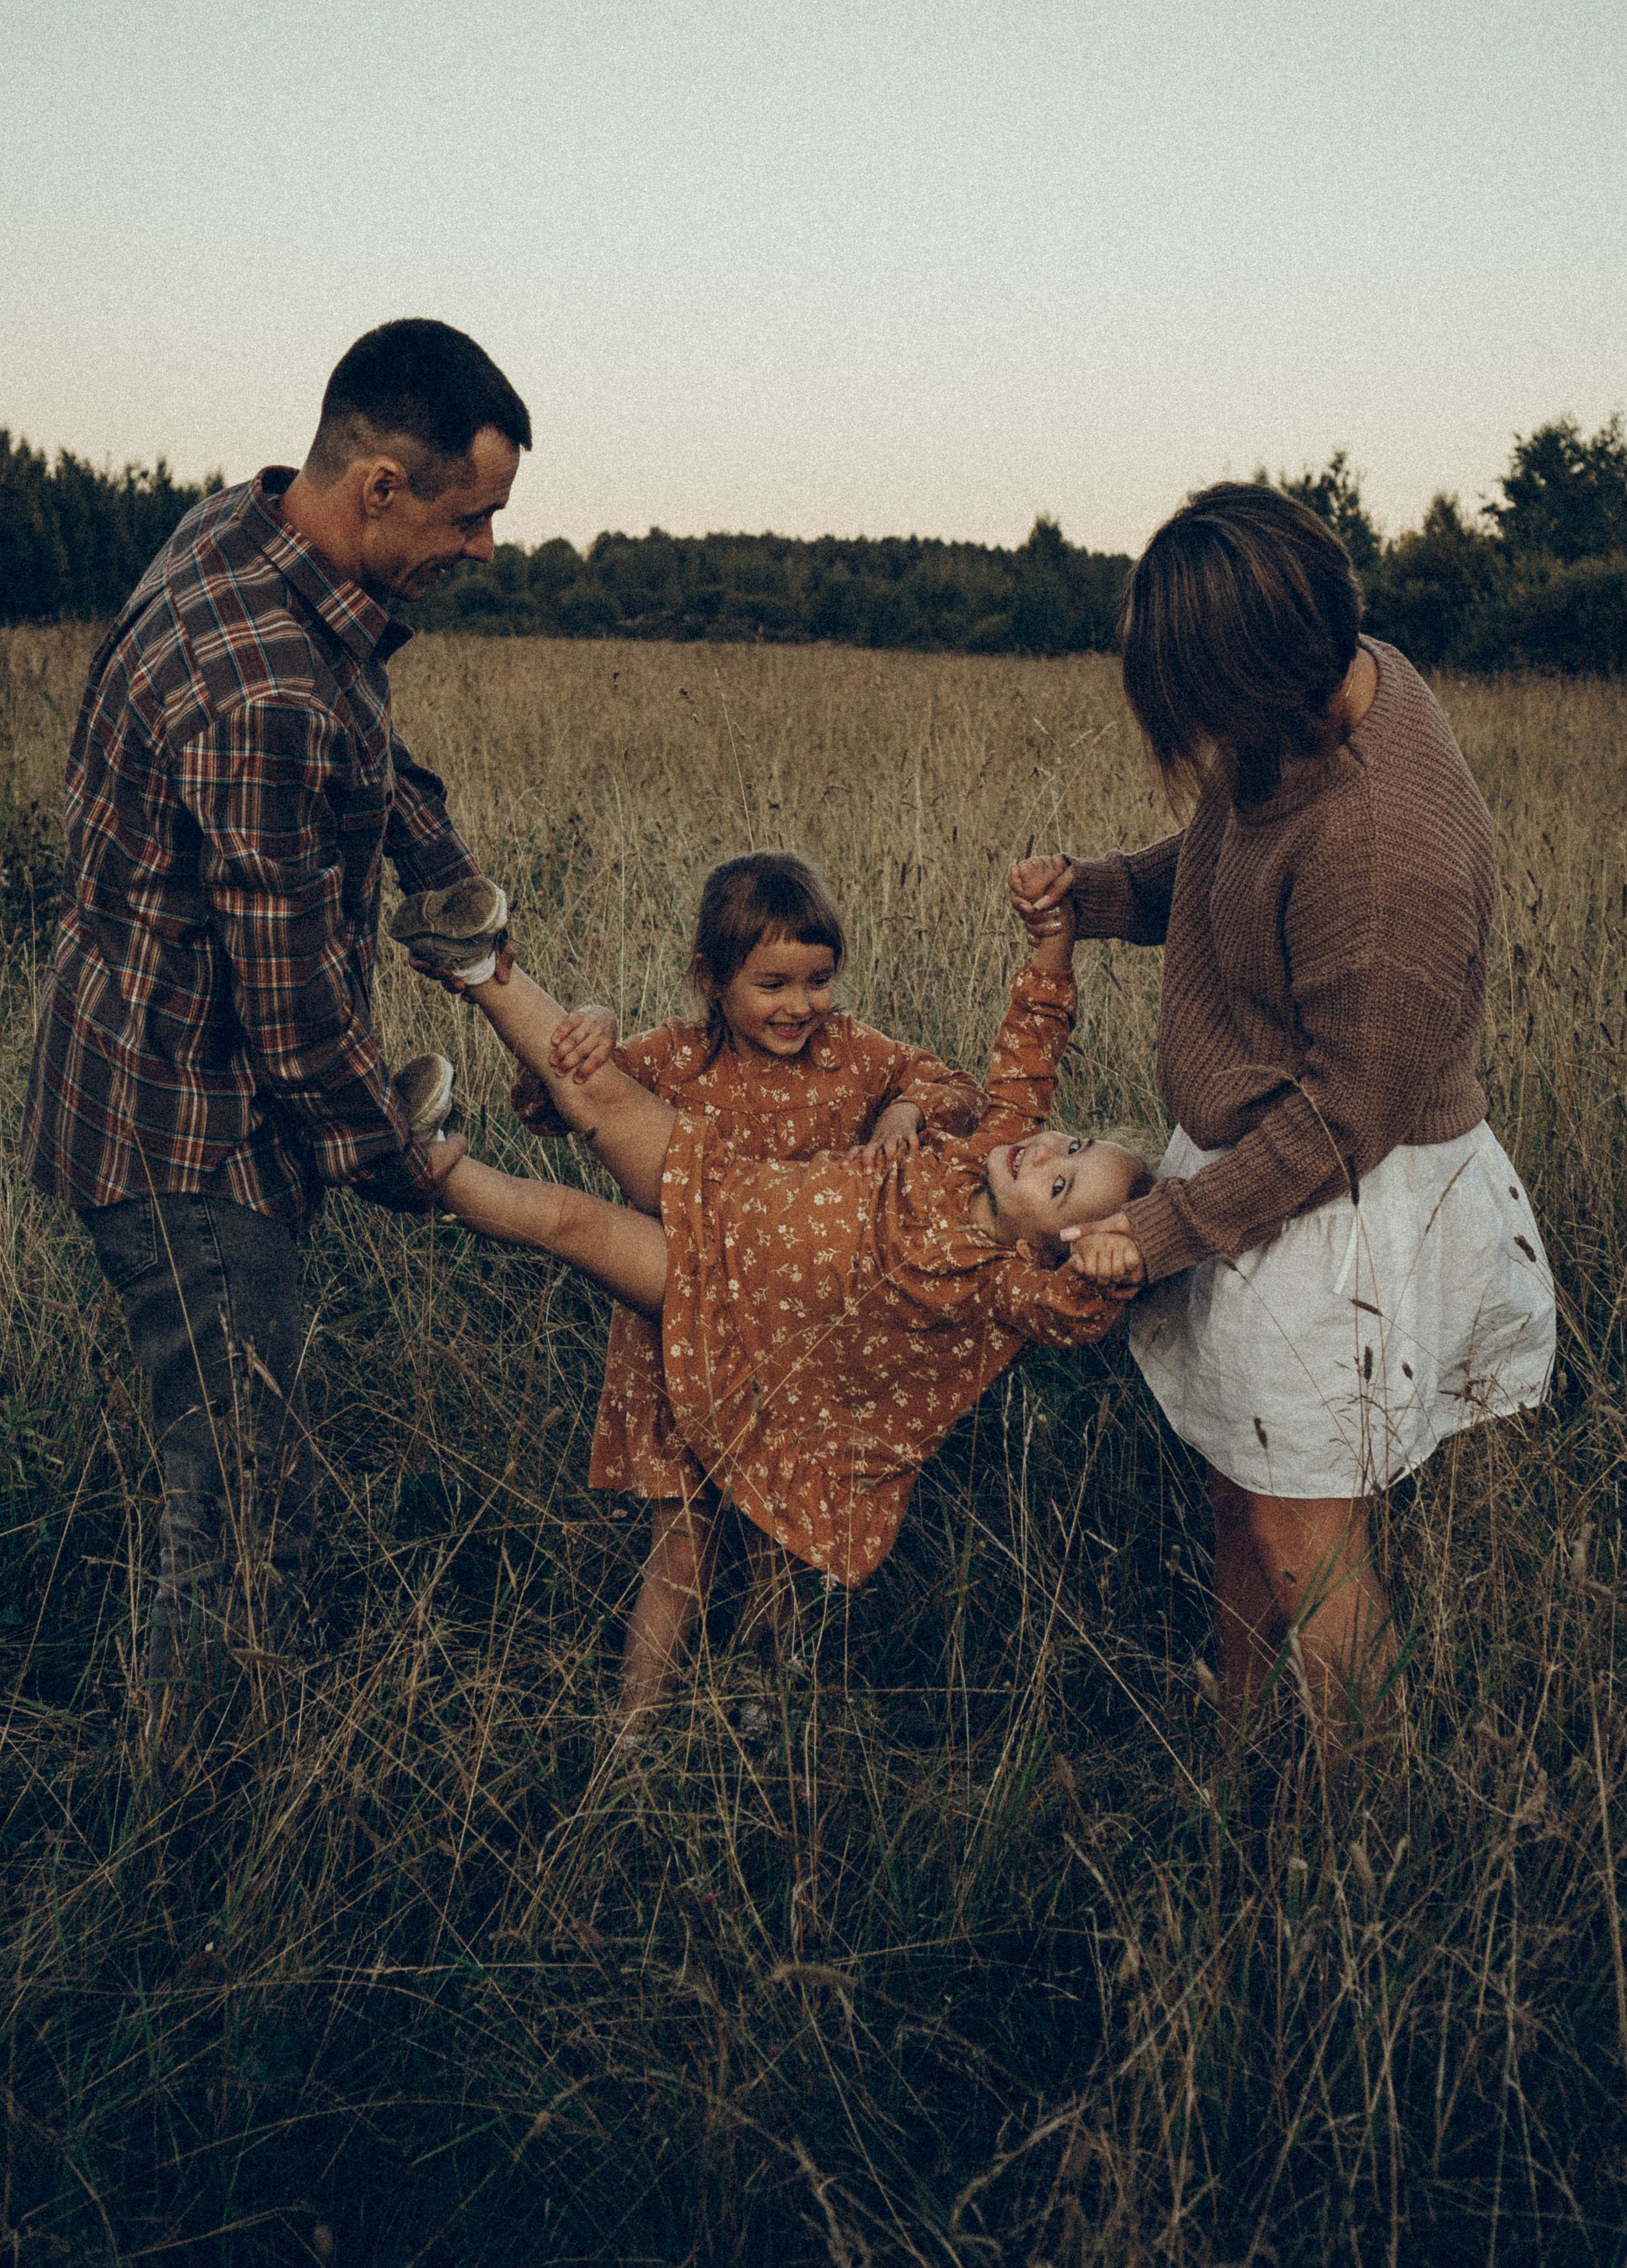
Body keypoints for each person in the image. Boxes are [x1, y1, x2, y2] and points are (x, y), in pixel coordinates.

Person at [21, 318, 528, 1699]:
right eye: (469, 517)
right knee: (237, 1505)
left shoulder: (250, 534)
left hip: (144, 1073)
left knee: (235, 1465)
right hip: (183, 1132)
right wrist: (408, 1163)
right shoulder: (262, 692)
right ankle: (195, 1779)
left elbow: (366, 745)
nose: (486, 548)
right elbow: (295, 1020)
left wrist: (444, 877)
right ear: (379, 486)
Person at [1009, 480, 1556, 1737]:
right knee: (1240, 1491)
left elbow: (1343, 1122)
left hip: (1334, 1202)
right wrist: (1098, 892)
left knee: (1306, 1537)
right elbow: (1229, 852)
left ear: (1260, 681)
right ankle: (1244, 1750)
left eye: (1202, 708)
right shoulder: (1323, 686)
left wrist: (1163, 1228)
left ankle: (1366, 1822)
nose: (1197, 739)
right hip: (1263, 1166)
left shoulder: (1386, 849)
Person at [393, 891, 1149, 1726]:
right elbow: (1029, 1047)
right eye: (1073, 1144)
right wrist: (1053, 943)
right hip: (724, 1194)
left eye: (1060, 1185)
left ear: (1052, 1249)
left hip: (748, 1334)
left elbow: (1069, 1317)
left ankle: (755, 1705)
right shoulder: (983, 1149)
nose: (1045, 1152)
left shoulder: (1002, 1282)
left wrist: (1106, 1272)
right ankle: (478, 972)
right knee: (598, 1115)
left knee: (577, 1231)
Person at [509, 851, 983, 1699]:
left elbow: (951, 1085)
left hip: (797, 1345)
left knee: (780, 1535)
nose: (800, 1006)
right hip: (677, 1328)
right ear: (710, 978)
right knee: (682, 1542)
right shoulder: (675, 1061)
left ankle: (769, 1707)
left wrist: (906, 1112)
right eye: (772, 985)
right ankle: (633, 1730)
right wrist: (591, 1023)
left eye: (818, 981)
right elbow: (553, 1102)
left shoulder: (851, 1056)